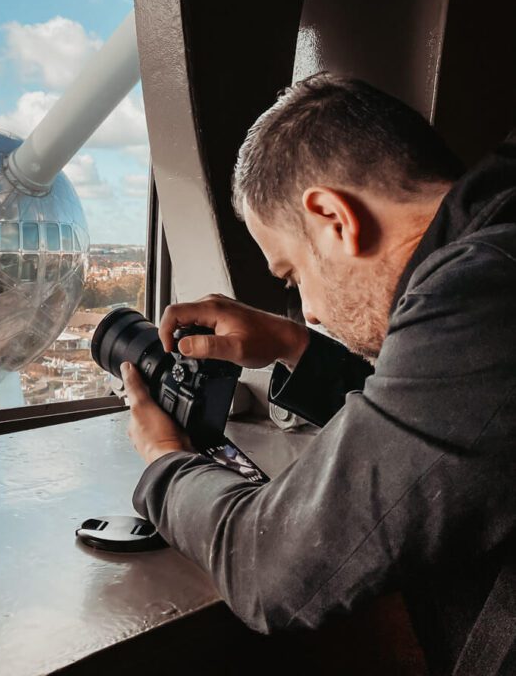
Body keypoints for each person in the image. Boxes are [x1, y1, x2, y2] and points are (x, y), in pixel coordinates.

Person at [122, 73, 516, 676]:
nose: (308, 307)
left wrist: (163, 461)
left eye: (291, 273)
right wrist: (292, 345)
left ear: (333, 217)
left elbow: (270, 568)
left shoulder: (485, 296)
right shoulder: (495, 241)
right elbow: (438, 431)